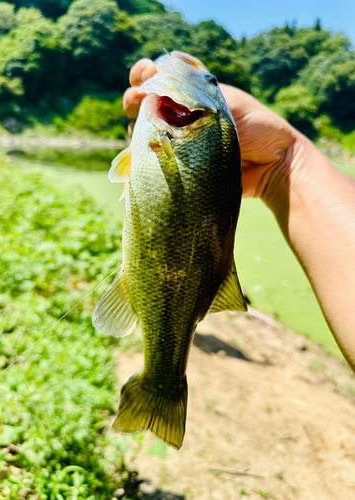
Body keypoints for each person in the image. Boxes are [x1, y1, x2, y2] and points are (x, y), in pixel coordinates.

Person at [123, 58, 355, 373]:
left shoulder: (196, 125)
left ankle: (162, 380)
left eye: (210, 81)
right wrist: (284, 159)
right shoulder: (197, 125)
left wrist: (284, 158)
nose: (196, 73)